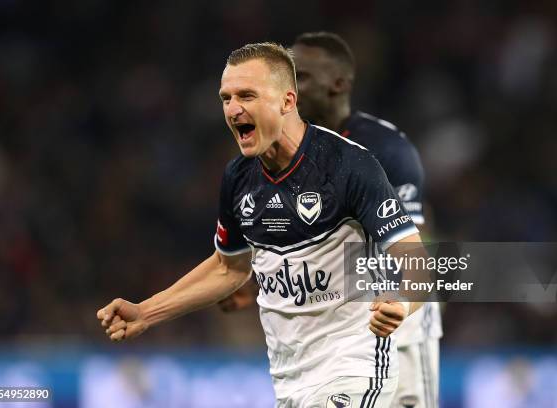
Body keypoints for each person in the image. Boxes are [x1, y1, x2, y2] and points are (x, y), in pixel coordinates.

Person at [97, 42, 427, 407]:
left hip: (355, 366)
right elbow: (229, 267)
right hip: (289, 380)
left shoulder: (349, 166)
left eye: (247, 96)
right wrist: (146, 311)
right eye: (226, 98)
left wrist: (401, 301)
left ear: (287, 101)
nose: (233, 109)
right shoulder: (239, 178)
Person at [219, 32, 443, 408]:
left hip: (397, 317)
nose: (293, 85)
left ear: (338, 84)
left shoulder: (383, 149)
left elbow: (417, 243)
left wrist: (403, 302)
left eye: (302, 76)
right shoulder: (285, 151)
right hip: (338, 328)